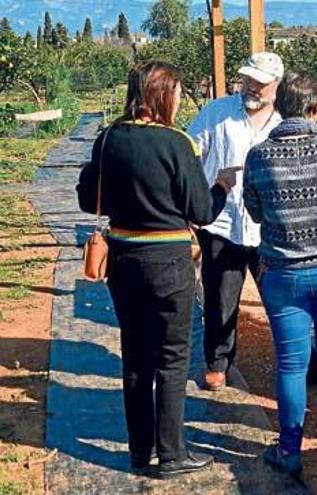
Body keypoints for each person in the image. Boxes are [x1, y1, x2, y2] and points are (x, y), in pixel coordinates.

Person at [76, 61, 235, 477]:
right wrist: (220, 186)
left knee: (135, 357)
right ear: (163, 94)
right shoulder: (177, 143)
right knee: (171, 358)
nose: (180, 98)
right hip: (169, 263)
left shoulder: (108, 138)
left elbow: (87, 199)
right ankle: (171, 455)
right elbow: (200, 210)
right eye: (177, 91)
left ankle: (138, 450)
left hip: (123, 262)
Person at [242, 72, 317, 477]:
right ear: (315, 108)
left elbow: (255, 212)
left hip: (284, 271)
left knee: (292, 363)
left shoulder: (258, 155)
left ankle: (289, 448)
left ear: (279, 108)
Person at [187, 52, 284, 390]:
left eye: (259, 82)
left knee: (281, 298)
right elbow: (189, 155)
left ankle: (301, 358)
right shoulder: (217, 113)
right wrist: (197, 203)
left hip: (269, 229)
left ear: (276, 85)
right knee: (219, 298)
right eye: (248, 80)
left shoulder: (284, 121)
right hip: (222, 225)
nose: (251, 87)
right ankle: (218, 363)